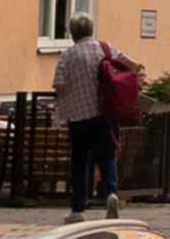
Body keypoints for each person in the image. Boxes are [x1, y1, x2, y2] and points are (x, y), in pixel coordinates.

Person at [54, 13, 126, 219]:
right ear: (91, 29)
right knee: (107, 157)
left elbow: (59, 86)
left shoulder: (68, 56)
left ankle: (78, 209)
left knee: (80, 161)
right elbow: (130, 64)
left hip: (79, 119)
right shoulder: (106, 49)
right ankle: (111, 194)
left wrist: (73, 94)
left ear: (72, 33)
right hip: (106, 115)